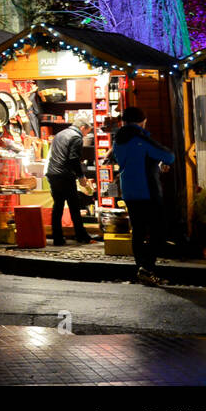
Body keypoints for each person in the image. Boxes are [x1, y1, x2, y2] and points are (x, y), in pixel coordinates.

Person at [112, 106, 175, 286]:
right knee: (158, 230)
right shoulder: (140, 138)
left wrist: (155, 162)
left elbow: (137, 159)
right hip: (147, 190)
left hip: (130, 191)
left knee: (138, 231)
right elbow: (168, 155)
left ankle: (142, 268)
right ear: (143, 121)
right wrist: (160, 161)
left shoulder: (118, 140)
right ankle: (147, 268)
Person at [47, 116, 97, 245]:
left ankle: (57, 238)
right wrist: (81, 176)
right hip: (65, 175)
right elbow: (73, 159)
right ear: (82, 128)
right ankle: (82, 236)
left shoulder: (60, 134)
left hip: (53, 173)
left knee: (58, 206)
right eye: (87, 131)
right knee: (74, 206)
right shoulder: (76, 137)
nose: (87, 134)